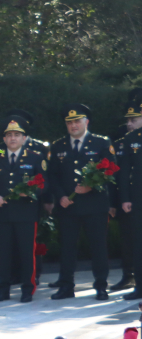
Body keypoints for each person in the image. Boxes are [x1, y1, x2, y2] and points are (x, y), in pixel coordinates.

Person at [48, 104, 115, 301]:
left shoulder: (101, 143)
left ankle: (101, 286)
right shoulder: (58, 146)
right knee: (67, 248)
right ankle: (66, 286)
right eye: (69, 122)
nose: (73, 125)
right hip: (68, 206)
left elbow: (110, 171)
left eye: (77, 121)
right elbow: (52, 176)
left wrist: (91, 187)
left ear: (86, 122)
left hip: (95, 205)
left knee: (98, 247)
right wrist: (60, 196)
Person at [0, 110, 47, 302]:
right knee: (3, 254)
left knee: (27, 253)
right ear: (4, 137)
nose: (13, 138)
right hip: (2, 213)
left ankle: (28, 289)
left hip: (26, 213)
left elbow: (44, 184)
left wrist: (32, 192)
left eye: (17, 135)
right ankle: (3, 289)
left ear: (24, 138)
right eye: (9, 135)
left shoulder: (35, 157)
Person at [115, 95, 142, 300]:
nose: (130, 123)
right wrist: (124, 198)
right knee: (138, 245)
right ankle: (140, 288)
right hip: (138, 199)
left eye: (136, 118)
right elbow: (124, 172)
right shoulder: (131, 139)